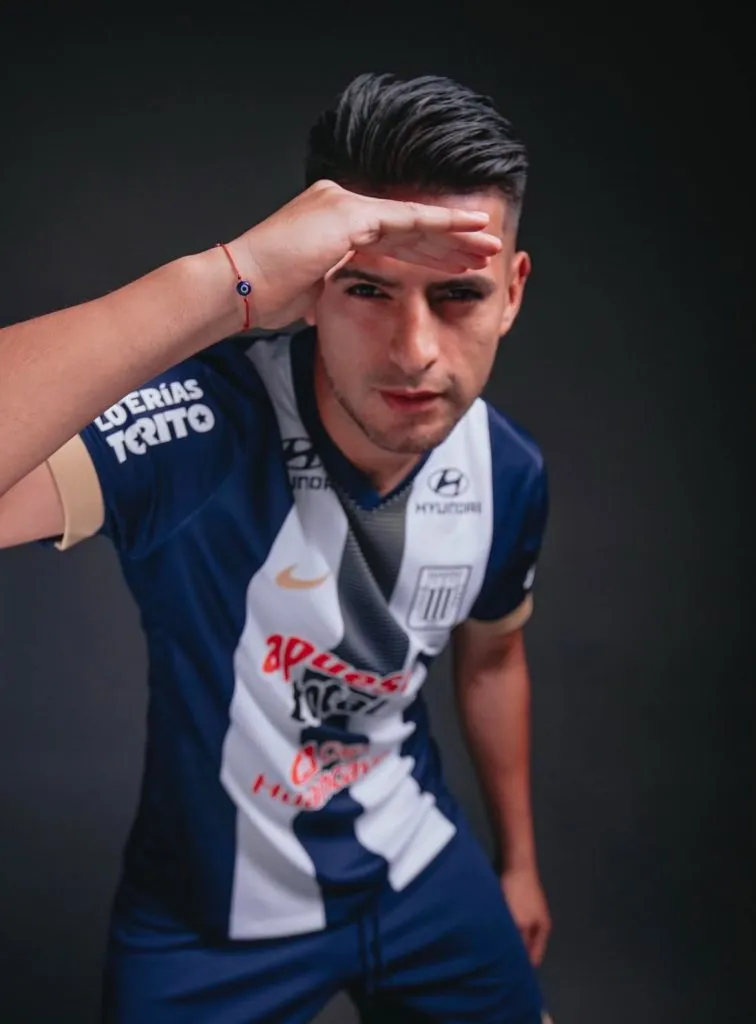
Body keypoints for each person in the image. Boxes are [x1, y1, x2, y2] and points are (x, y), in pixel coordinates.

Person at [0, 73, 554, 1023]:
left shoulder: (510, 471)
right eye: (369, 289)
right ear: (312, 283)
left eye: (459, 294)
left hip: (418, 868)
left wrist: (518, 862)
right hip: (208, 919)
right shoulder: (207, 424)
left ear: (511, 291)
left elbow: (493, 660)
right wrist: (230, 277)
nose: (414, 349)